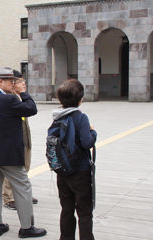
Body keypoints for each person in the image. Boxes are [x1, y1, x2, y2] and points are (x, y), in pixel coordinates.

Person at [0, 67, 47, 238]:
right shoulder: (8, 100)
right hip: (8, 156)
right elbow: (31, 109)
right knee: (23, 187)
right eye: (11, 82)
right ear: (1, 82)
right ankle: (27, 228)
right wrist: (23, 93)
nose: (14, 85)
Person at [53, 79, 97, 240]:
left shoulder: (57, 117)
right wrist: (93, 132)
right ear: (80, 99)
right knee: (84, 212)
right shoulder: (81, 117)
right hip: (80, 171)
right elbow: (87, 143)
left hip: (62, 170)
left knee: (66, 209)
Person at [2, 70, 37, 210]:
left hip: (25, 139)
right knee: (13, 170)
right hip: (15, 141)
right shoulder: (10, 99)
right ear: (13, 84)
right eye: (21, 82)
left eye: (24, 81)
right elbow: (31, 109)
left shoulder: (20, 97)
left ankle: (21, 194)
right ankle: (8, 197)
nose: (24, 84)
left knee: (24, 168)